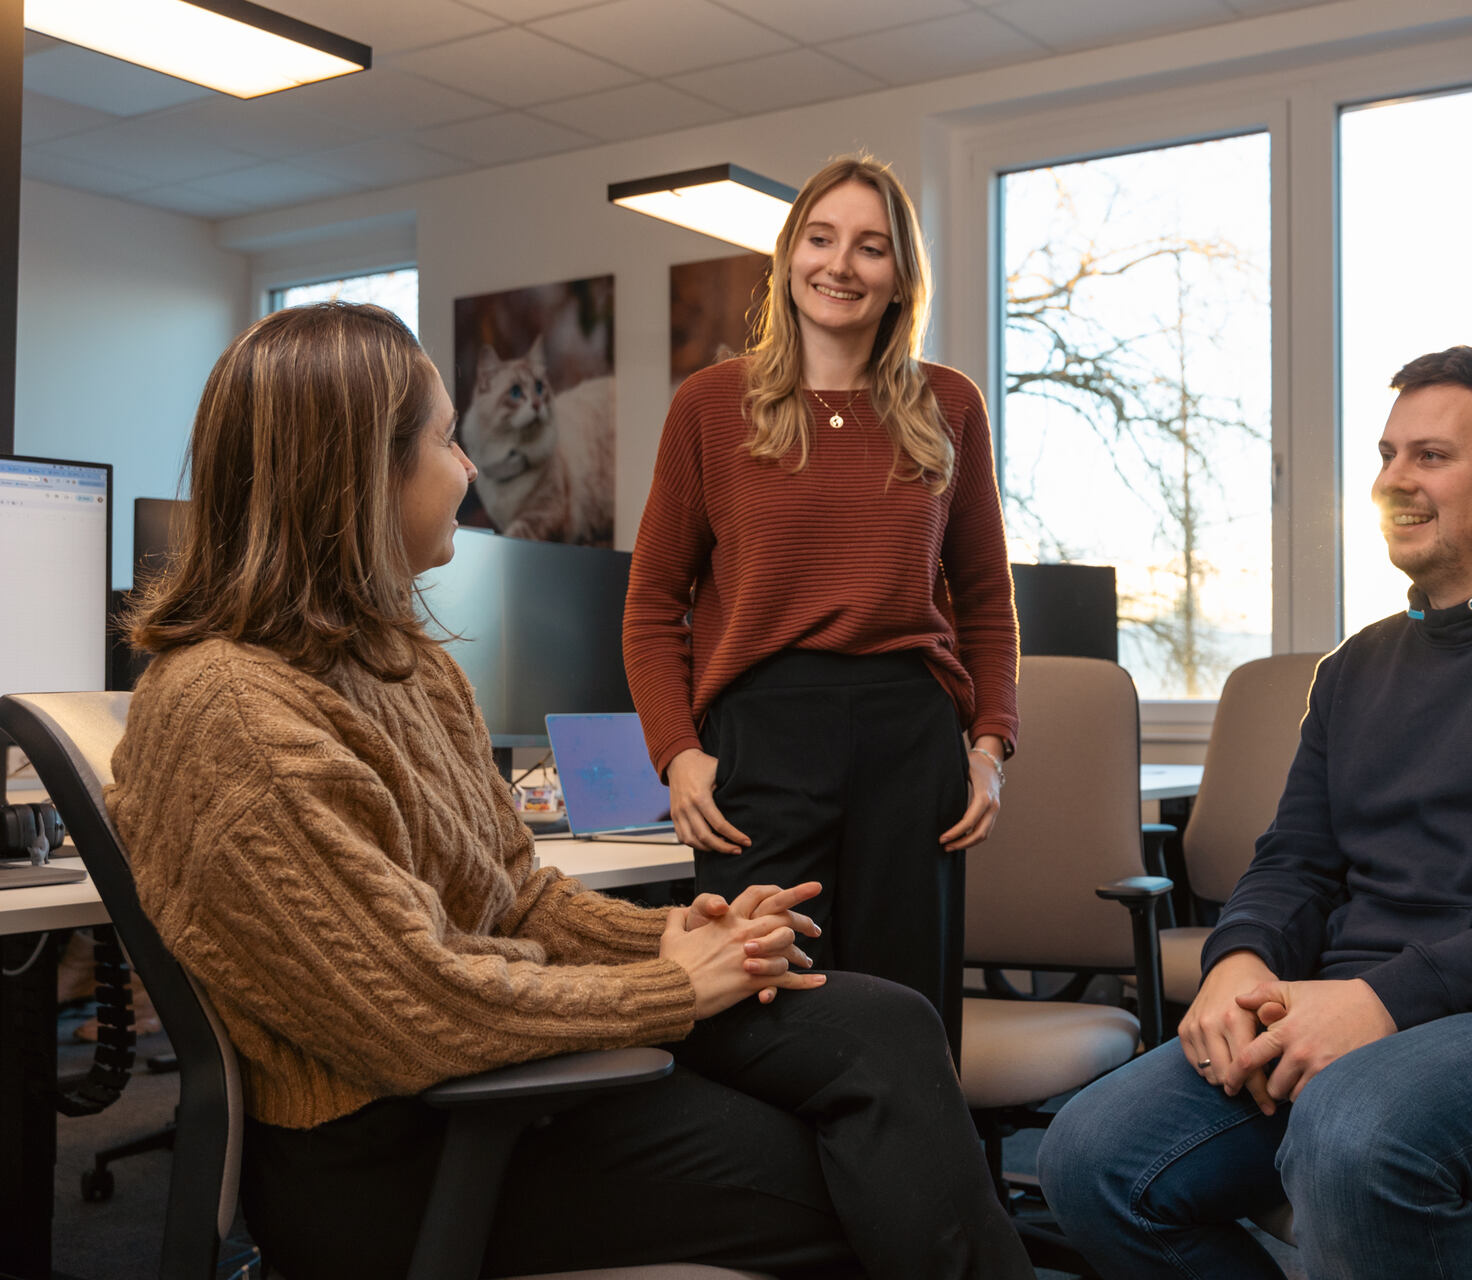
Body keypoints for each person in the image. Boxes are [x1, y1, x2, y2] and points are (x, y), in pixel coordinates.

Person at [107, 302, 1034, 1280]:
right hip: (397, 1148)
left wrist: (677, 933)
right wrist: (673, 986)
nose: (471, 470)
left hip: (494, 1072)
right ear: (354, 477)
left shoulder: (405, 668)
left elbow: (516, 896)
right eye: (445, 441)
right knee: (870, 1174)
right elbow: (409, 1009)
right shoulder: (233, 713)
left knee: (887, 1022)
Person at [1037, 344, 1472, 1278]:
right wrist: (1237, 958)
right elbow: (1297, 861)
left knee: (1355, 1130)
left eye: (1432, 456)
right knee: (1088, 1156)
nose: (1395, 481)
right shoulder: (1358, 667)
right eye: (1386, 454)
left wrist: (1385, 1001)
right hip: (1357, 1020)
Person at [623, 152, 1019, 1060]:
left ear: (899, 276)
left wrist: (990, 746)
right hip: (762, 740)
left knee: (904, 1019)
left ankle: (899, 1202)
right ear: (788, 254)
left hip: (909, 741)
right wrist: (676, 753)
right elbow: (653, 602)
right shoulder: (711, 405)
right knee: (759, 1013)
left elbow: (987, 601)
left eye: (871, 248)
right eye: (822, 238)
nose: (841, 265)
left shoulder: (947, 405)